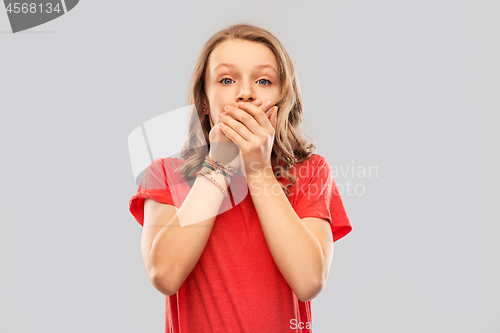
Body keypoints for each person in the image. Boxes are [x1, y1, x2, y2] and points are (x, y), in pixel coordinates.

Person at [129, 23, 352, 333]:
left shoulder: (311, 171)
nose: (245, 92)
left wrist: (258, 170)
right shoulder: (165, 174)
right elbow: (164, 275)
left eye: (263, 80)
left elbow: (309, 282)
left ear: (281, 99)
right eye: (227, 79)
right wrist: (219, 166)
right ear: (205, 102)